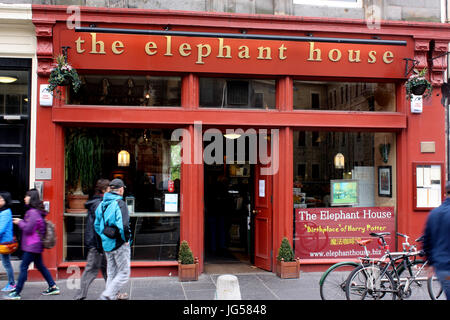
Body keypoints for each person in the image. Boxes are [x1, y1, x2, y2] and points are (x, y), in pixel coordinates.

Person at [5, 189, 59, 300]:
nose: (25, 198)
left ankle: (17, 292)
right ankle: (53, 286)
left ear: (31, 198)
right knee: (40, 266)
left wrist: (20, 222)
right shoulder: (35, 211)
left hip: (32, 245)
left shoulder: (33, 213)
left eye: (27, 196)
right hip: (35, 245)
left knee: (23, 267)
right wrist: (21, 221)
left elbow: (29, 229)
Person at [94, 178, 131, 300]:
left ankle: (112, 296)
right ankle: (107, 295)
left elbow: (97, 225)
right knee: (124, 273)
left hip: (107, 244)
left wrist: (105, 237)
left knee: (112, 272)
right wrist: (126, 239)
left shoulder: (102, 204)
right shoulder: (120, 204)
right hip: (119, 244)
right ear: (121, 190)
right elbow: (124, 226)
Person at [73, 179, 109, 300]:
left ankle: (114, 292)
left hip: (99, 243)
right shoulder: (99, 204)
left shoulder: (97, 202)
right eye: (109, 189)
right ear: (104, 190)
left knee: (108, 269)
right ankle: (79, 295)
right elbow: (100, 226)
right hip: (97, 243)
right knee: (91, 270)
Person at [423, 181, 450, 300]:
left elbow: (426, 241)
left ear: (445, 193)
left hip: (442, 269)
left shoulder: (434, 213)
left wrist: (429, 263)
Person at [0, 191, 16, 292]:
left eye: (0, 199)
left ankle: (12, 283)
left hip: (4, 242)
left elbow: (1, 229)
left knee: (6, 263)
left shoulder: (5, 213)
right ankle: (12, 283)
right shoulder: (3, 211)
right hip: (3, 241)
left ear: (5, 201)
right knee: (6, 263)